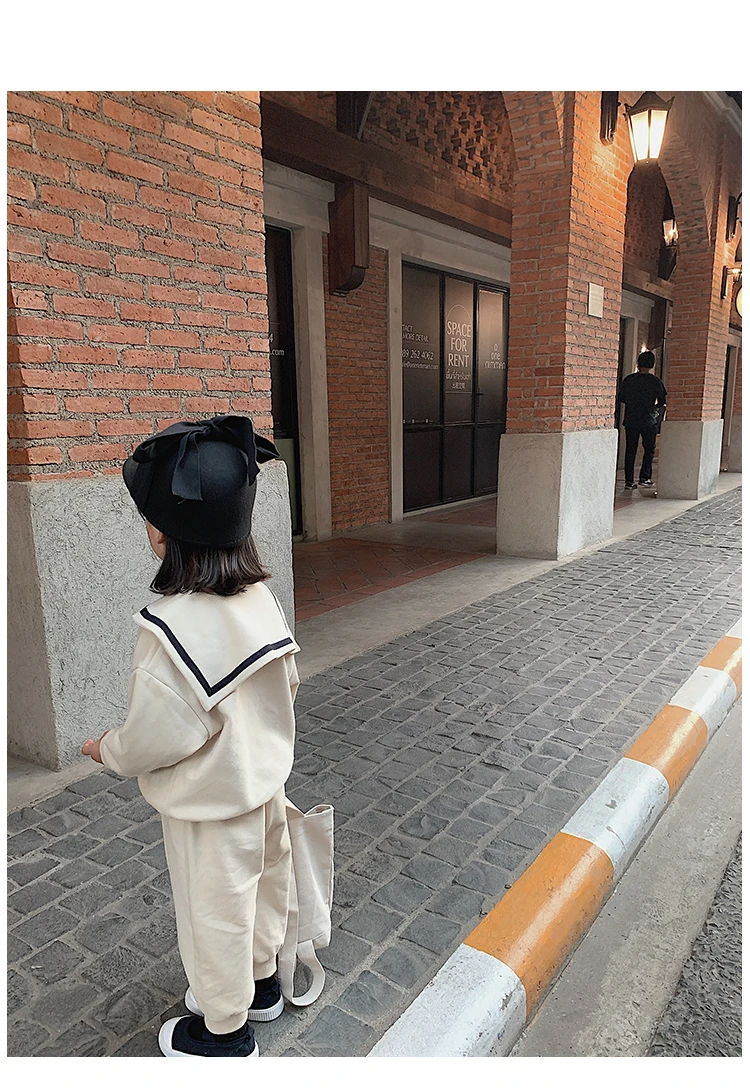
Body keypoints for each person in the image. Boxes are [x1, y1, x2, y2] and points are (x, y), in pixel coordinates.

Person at [81, 415, 300, 1059]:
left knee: (214, 915)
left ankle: (225, 1033)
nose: (149, 530)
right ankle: (263, 986)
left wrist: (108, 749)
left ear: (168, 534)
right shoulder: (261, 599)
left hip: (210, 806)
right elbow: (288, 682)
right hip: (264, 788)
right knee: (265, 886)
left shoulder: (170, 630)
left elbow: (156, 736)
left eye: (151, 520)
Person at [617, 350, 667, 489]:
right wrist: (654, 407)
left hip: (631, 418)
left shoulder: (629, 379)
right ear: (652, 364)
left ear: (638, 363)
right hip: (648, 419)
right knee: (649, 449)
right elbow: (662, 401)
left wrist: (633, 403)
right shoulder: (655, 381)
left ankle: (629, 481)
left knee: (630, 449)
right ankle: (645, 477)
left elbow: (621, 397)